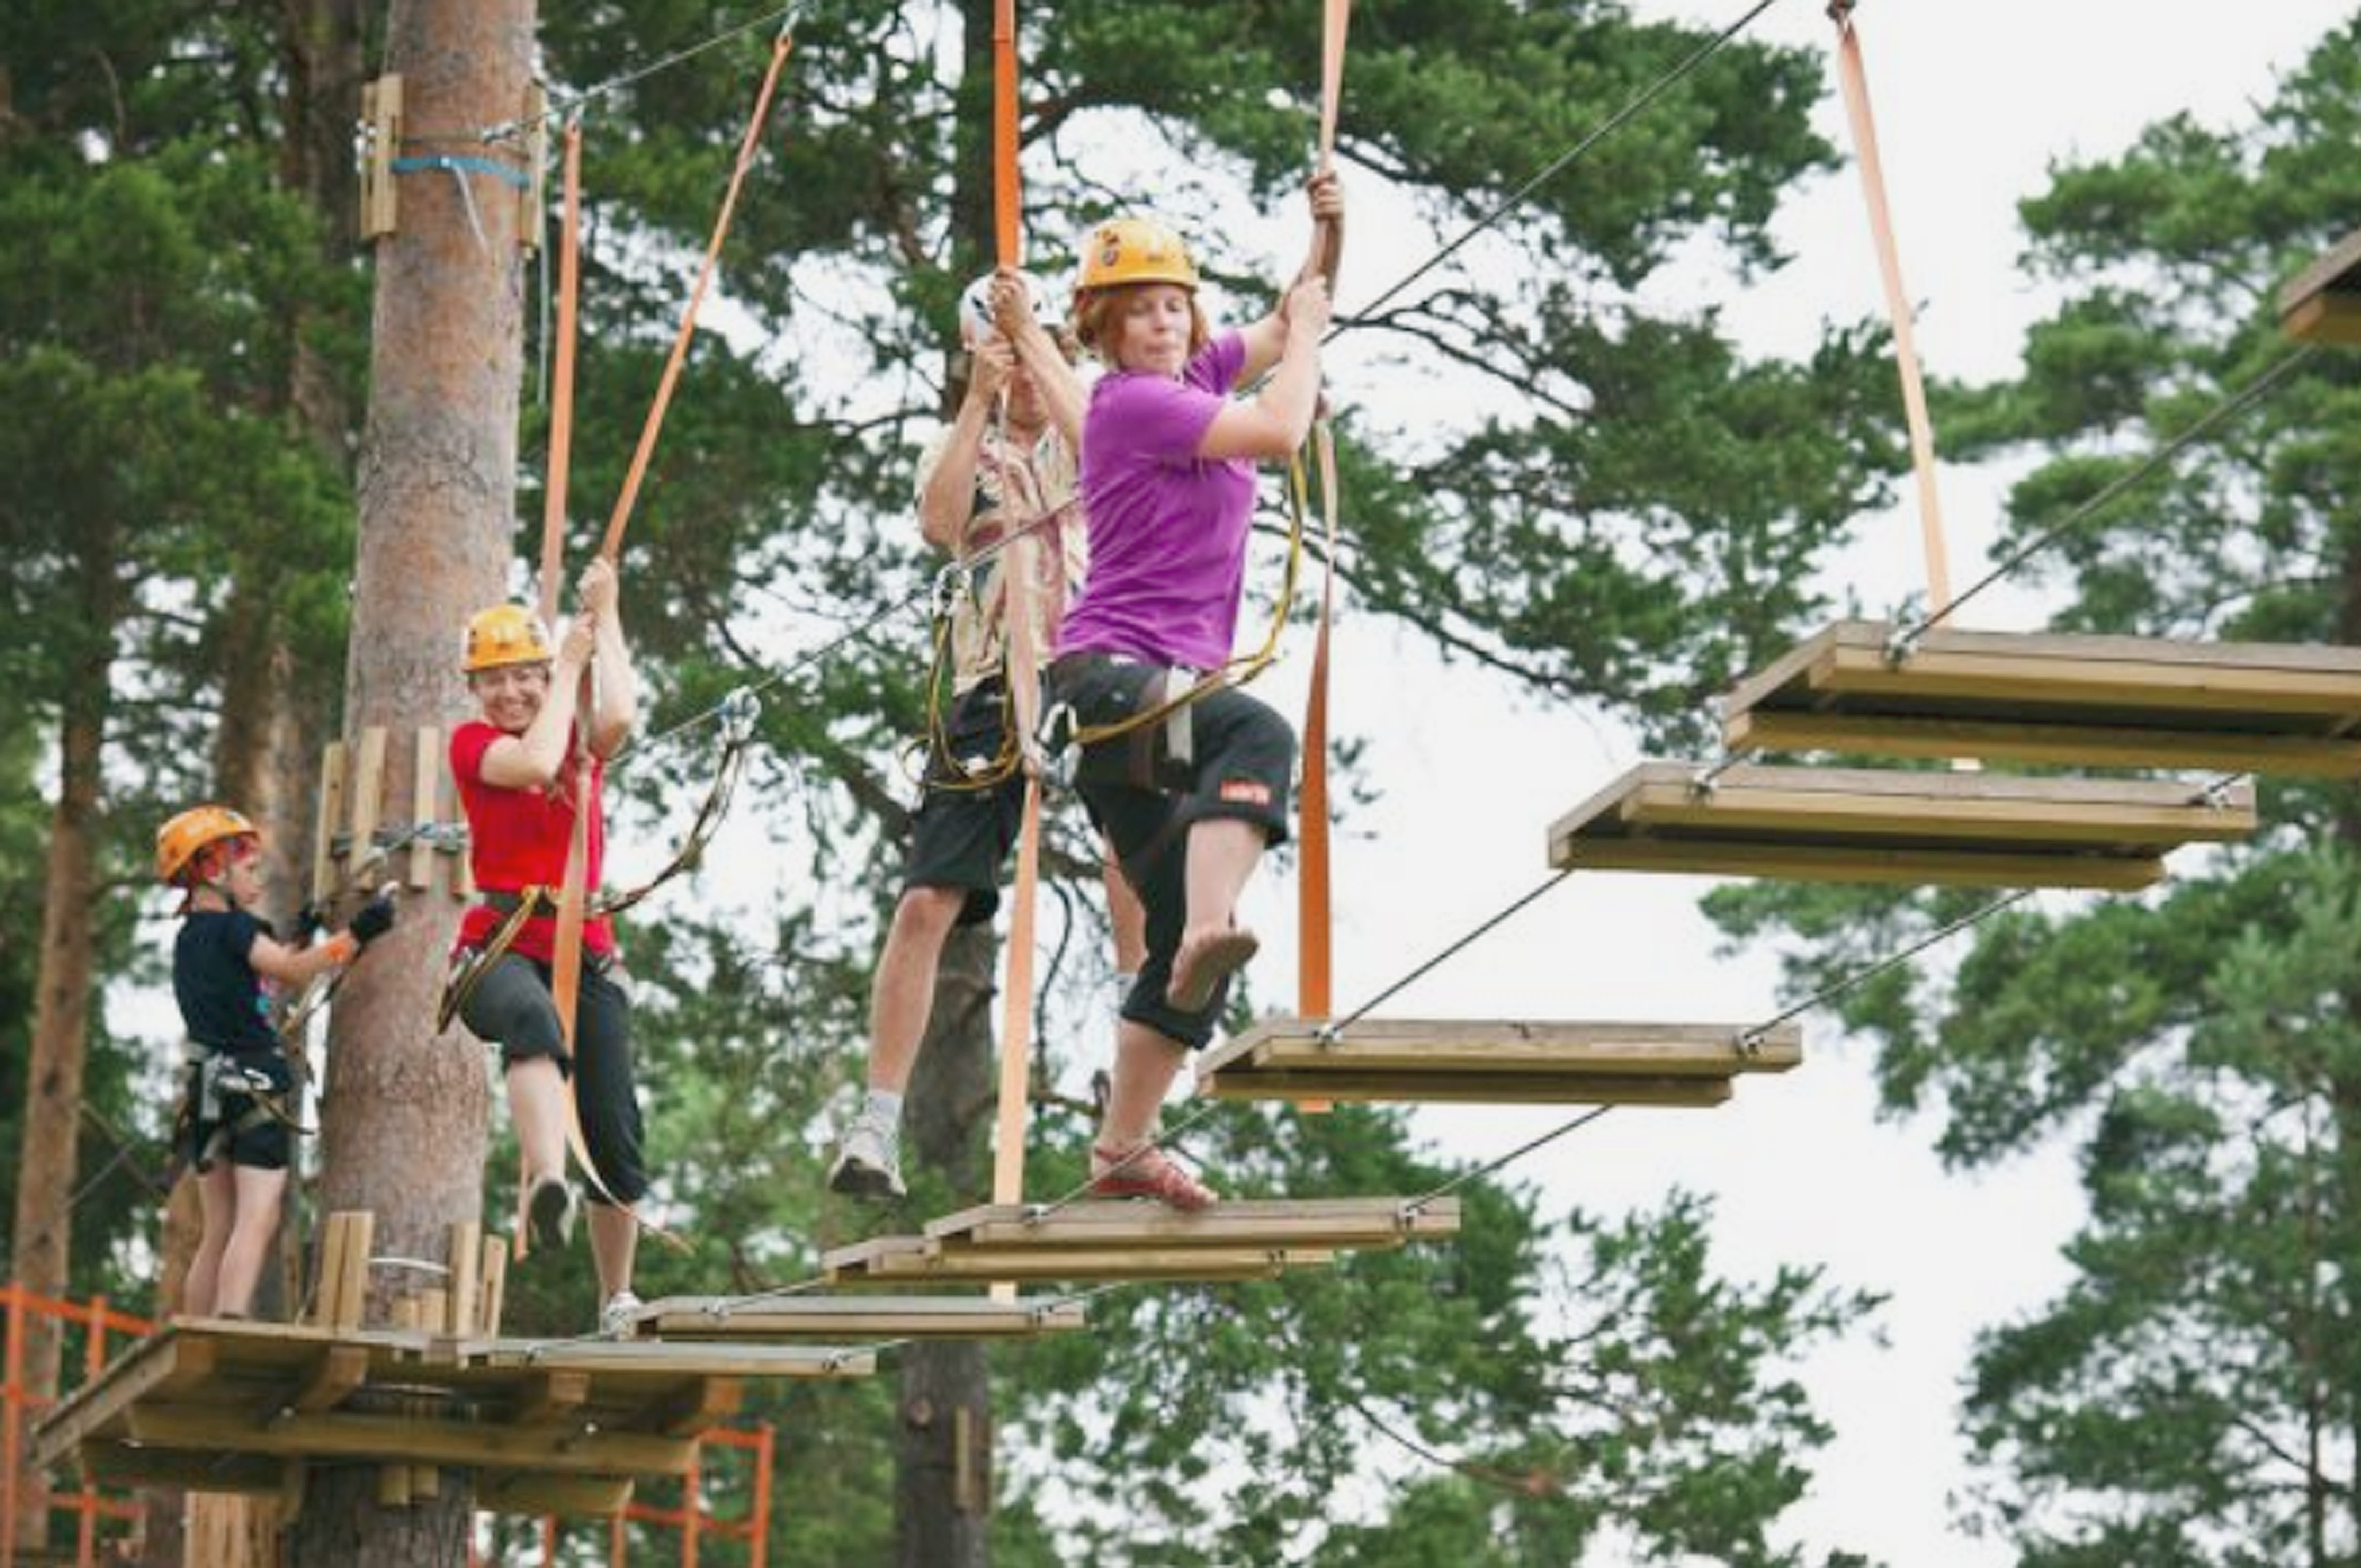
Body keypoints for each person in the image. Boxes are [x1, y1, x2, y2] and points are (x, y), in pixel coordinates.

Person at [1046, 174, 1342, 1210]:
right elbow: (1280, 426)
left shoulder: (1200, 374)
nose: (1162, 324)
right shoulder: (1132, 406)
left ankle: (1121, 1145)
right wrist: (1303, 340)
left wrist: (1327, 226)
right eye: (1138, 313)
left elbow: (1293, 313)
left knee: (1177, 960)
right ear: (1106, 333)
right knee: (1255, 734)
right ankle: (1214, 919)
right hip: (1114, 675)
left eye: (1172, 306)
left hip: (1140, 702)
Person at [830, 269, 1148, 1201]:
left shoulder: (1091, 419)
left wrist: (1036, 355)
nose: (1018, 367)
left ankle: (1135, 1083)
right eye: (1005, 347)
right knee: (929, 897)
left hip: (1087, 661)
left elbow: (1108, 453)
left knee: (1131, 850)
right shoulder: (959, 440)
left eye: (1033, 341)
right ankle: (876, 1120)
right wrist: (978, 395)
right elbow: (939, 518)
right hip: (983, 685)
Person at [449, 558, 648, 1333]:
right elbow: (532, 760)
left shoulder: (577, 737)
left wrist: (609, 620)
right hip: (498, 946)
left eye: (524, 677)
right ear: (474, 691)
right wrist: (565, 663)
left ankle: (616, 1295)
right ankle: (545, 1178)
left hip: (586, 946)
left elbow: (618, 718)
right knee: (532, 1020)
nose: (511, 693)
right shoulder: (474, 745)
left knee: (616, 1125)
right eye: (494, 681)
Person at [160, 804, 394, 1318]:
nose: (255, 879)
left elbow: (256, 973)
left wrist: (302, 932)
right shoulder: (237, 929)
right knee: (257, 1214)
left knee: (217, 1227)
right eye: (246, 868)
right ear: (211, 870)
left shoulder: (189, 940)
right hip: (253, 1081)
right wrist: (359, 933)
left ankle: (195, 1326)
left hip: (205, 1088)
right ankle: (231, 1317)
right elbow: (288, 971)